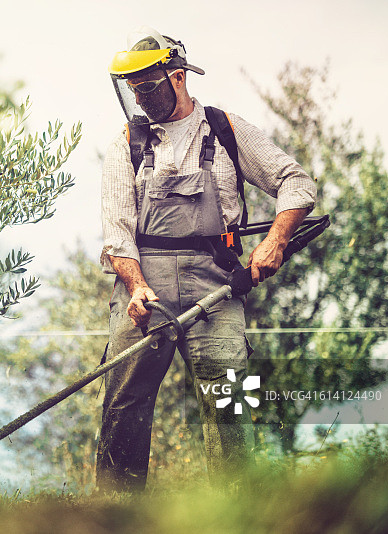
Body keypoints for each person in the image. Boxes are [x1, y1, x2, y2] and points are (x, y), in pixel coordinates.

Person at [97, 26, 317, 492]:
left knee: (228, 398)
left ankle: (234, 507)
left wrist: (276, 240)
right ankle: (114, 511)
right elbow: (117, 232)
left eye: (147, 86)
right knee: (124, 400)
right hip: (145, 286)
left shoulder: (225, 129)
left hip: (216, 283)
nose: (139, 98)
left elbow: (296, 183)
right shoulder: (127, 142)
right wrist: (135, 285)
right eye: (132, 89)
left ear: (177, 76)